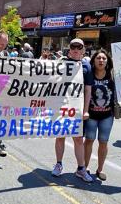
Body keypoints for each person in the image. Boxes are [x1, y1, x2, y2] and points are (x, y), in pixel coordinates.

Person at [51, 38, 93, 182]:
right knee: (60, 136)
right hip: (61, 107)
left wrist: (86, 110)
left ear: (83, 50)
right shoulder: (61, 63)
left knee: (78, 139)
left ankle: (81, 169)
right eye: (73, 46)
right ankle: (58, 164)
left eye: (79, 47)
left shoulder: (86, 67)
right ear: (69, 49)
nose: (76, 49)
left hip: (78, 109)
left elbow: (88, 90)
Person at [84, 49, 115, 181]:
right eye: (98, 58)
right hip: (90, 115)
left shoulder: (113, 75)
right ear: (93, 60)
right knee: (89, 140)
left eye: (104, 58)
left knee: (103, 142)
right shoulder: (88, 74)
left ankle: (100, 169)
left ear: (107, 61)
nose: (101, 60)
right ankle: (84, 168)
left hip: (107, 116)